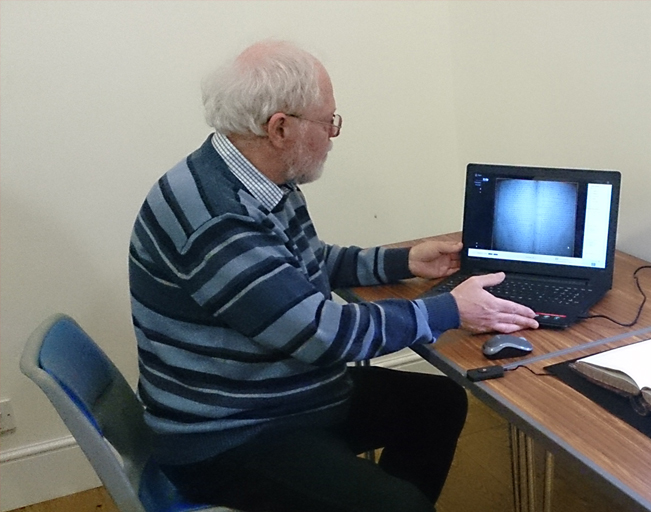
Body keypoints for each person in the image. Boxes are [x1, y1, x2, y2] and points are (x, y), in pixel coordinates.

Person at [128, 39, 539, 512]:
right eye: (329, 122)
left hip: (279, 396)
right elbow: (319, 334)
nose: (333, 134)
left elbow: (305, 263)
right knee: (397, 505)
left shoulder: (254, 178)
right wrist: (449, 309)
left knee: (439, 402)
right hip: (231, 434)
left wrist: (403, 261)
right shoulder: (219, 221)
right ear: (280, 128)